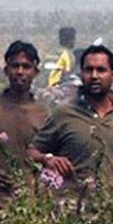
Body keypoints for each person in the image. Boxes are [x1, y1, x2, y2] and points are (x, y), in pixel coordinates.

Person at [29, 44, 113, 189]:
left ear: (112, 74)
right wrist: (48, 159)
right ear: (81, 74)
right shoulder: (63, 113)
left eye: (101, 70)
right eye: (88, 70)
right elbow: (31, 152)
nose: (94, 76)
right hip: (71, 206)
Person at [0, 41, 47, 191]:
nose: (20, 72)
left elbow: (47, 158)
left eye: (26, 67)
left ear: (35, 72)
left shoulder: (43, 115)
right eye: (15, 66)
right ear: (6, 70)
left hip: (27, 200)